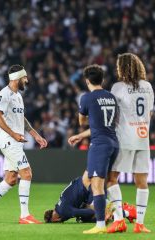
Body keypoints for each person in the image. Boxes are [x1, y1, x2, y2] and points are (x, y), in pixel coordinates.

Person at [0, 65, 48, 224]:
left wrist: (35, 135)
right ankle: (24, 215)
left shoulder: (18, 96)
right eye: (25, 78)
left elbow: (21, 118)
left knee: (11, 179)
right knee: (27, 173)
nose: (27, 80)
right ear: (17, 78)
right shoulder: (4, 94)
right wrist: (13, 133)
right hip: (9, 141)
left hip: (16, 141)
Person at [68, 64, 119, 234]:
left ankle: (100, 225)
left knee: (97, 185)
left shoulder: (86, 98)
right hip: (114, 143)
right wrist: (81, 136)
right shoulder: (111, 97)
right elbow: (105, 124)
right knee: (106, 182)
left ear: (87, 80)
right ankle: (119, 216)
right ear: (102, 79)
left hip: (99, 146)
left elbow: (82, 121)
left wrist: (85, 122)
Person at [106, 53, 153, 233]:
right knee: (141, 182)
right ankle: (139, 224)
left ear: (123, 68)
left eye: (119, 67)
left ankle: (119, 220)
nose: (117, 70)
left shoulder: (118, 87)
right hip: (143, 138)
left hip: (124, 138)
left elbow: (112, 115)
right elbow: (149, 114)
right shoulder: (147, 86)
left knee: (111, 179)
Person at [43, 171, 136, 224]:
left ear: (54, 219)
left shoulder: (64, 212)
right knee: (89, 215)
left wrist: (82, 216)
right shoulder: (59, 206)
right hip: (86, 185)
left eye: (57, 222)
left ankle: (128, 212)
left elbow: (91, 211)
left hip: (90, 186)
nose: (61, 222)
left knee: (97, 214)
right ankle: (119, 208)